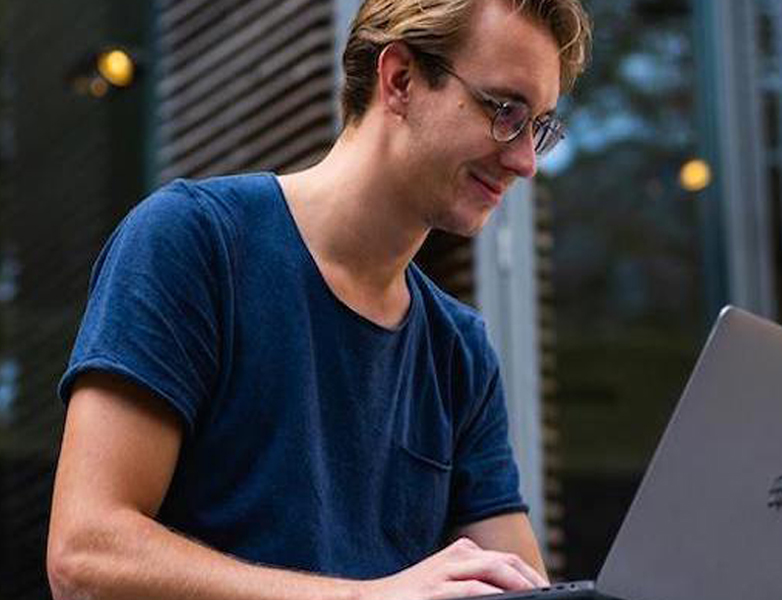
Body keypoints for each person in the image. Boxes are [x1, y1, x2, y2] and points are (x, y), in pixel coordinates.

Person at [46, 0, 590, 597]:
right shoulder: (195, 242)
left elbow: (523, 591)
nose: (524, 160)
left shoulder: (459, 351)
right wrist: (369, 596)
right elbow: (85, 558)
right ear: (400, 80)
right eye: (505, 112)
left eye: (538, 125)